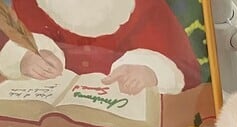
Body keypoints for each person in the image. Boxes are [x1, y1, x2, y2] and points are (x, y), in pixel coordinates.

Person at [0, 0, 202, 94]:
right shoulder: (31, 2)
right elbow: (10, 40)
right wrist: (26, 57)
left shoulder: (147, 5)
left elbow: (188, 72)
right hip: (51, 124)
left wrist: (151, 72)